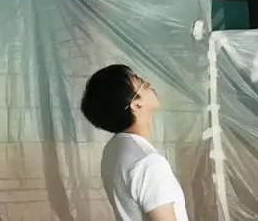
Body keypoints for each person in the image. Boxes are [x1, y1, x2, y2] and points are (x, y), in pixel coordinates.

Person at [81, 65, 188, 221]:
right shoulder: (148, 162)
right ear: (136, 105)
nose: (149, 84)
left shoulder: (113, 149)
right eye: (142, 83)